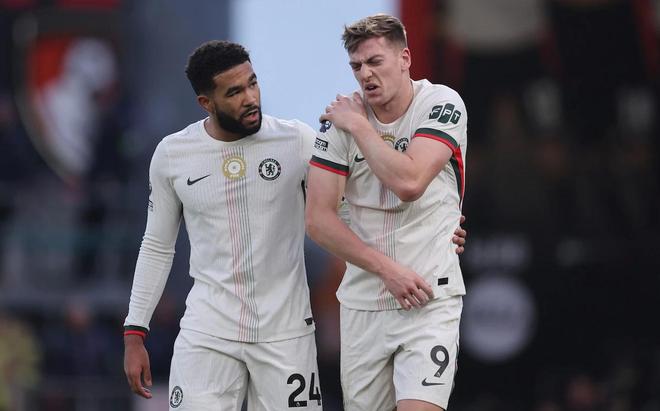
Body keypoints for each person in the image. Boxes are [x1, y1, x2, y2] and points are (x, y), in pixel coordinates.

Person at [122, 39, 468, 410]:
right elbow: (157, 245)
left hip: (287, 336)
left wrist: (431, 227)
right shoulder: (173, 155)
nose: (250, 98)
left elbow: (354, 213)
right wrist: (135, 331)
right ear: (206, 102)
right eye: (234, 92)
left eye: (253, 83)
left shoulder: (297, 140)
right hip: (207, 333)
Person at [305, 14, 468, 411]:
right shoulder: (337, 124)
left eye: (375, 61)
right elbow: (318, 220)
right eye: (357, 66)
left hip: (430, 296)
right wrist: (387, 270)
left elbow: (410, 183)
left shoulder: (440, 103)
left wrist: (361, 128)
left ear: (404, 58)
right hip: (364, 304)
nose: (366, 74)